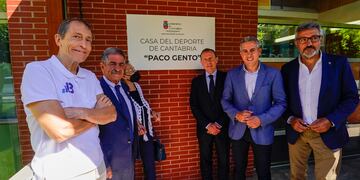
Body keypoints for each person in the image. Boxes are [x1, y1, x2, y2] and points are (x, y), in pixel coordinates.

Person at [20, 18, 116, 180]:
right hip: (61, 174)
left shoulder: (90, 77)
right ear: (59, 40)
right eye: (77, 37)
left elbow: (111, 114)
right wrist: (96, 116)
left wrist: (80, 112)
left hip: (96, 166)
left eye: (88, 40)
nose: (84, 45)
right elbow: (61, 131)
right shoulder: (39, 71)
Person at [281, 22, 359, 180]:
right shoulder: (288, 69)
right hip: (298, 134)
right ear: (297, 43)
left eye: (314, 38)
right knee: (296, 176)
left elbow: (351, 97)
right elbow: (282, 101)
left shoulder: (339, 64)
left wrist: (331, 120)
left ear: (321, 40)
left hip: (328, 133)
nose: (309, 43)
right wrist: (291, 119)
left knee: (326, 178)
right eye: (303, 39)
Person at [221, 36, 286, 180]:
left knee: (263, 172)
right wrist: (236, 114)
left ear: (259, 51)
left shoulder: (273, 74)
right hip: (238, 130)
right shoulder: (232, 75)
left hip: (262, 130)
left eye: (252, 50)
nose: (248, 54)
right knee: (239, 170)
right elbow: (225, 100)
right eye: (244, 51)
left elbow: (281, 103)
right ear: (240, 54)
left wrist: (261, 119)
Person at [98, 47, 139, 180]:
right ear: (102, 66)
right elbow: (94, 132)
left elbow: (125, 117)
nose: (118, 68)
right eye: (112, 64)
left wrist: (135, 124)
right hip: (110, 161)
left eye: (121, 64)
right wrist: (104, 163)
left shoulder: (124, 87)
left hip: (128, 157)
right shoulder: (96, 90)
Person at [190, 48, 230, 180]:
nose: (208, 62)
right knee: (205, 159)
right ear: (201, 62)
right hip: (204, 129)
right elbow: (194, 106)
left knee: (223, 160)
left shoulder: (227, 78)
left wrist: (218, 123)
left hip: (222, 127)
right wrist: (207, 125)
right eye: (205, 59)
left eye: (211, 58)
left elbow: (231, 103)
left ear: (217, 59)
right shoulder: (196, 82)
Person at [122, 62, 161, 180]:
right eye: (129, 71)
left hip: (146, 131)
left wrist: (152, 112)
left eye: (132, 69)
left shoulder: (137, 85)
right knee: (130, 164)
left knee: (149, 163)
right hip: (132, 132)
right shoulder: (121, 88)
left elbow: (143, 104)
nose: (133, 72)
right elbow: (126, 109)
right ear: (123, 75)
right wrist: (137, 123)